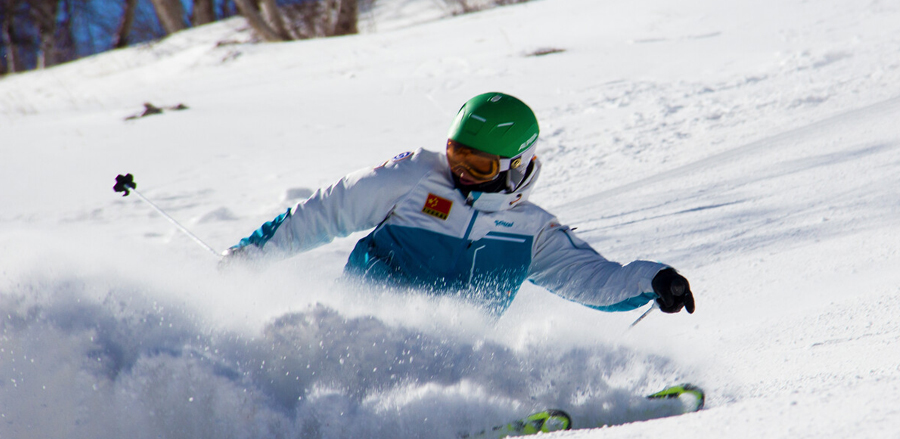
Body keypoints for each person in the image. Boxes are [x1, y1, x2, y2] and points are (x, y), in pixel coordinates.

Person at [223, 92, 695, 317]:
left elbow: (594, 279)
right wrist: (251, 256)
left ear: (516, 166)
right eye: (457, 155)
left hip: (451, 359)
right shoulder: (411, 180)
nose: (463, 173)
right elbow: (326, 211)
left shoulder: (530, 231)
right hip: (363, 332)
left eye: (480, 165)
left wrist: (653, 279)